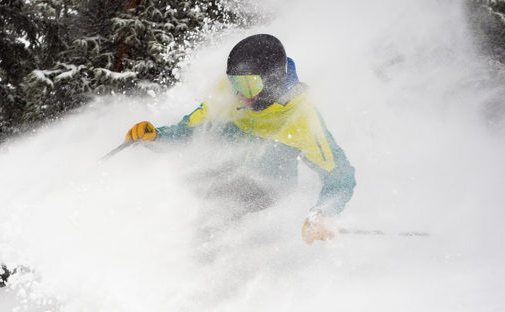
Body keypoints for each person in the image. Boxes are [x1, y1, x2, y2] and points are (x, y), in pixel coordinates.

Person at [125, 34, 356, 245]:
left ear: (272, 80)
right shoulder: (230, 94)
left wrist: (323, 213)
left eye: (248, 84)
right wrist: (157, 137)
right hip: (222, 178)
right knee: (187, 206)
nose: (239, 93)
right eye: (234, 82)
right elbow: (191, 129)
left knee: (224, 228)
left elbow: (338, 172)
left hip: (266, 196)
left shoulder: (302, 118)